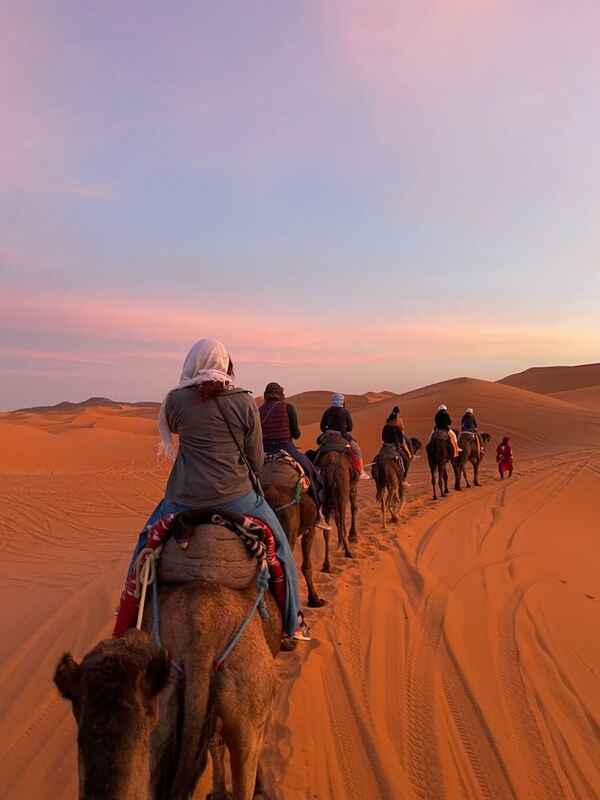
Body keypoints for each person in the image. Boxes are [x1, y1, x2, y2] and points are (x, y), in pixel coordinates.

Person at [118, 338, 306, 642]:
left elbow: (175, 429)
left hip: (183, 499)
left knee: (144, 544)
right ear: (227, 365)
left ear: (191, 363)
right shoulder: (245, 401)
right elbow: (256, 461)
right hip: (238, 498)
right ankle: (293, 621)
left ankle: (126, 621)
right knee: (281, 547)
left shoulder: (176, 401)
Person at [259, 382, 330, 530]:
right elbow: (296, 434)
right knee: (313, 473)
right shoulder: (288, 407)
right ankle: (318, 514)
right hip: (285, 446)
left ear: (266, 395)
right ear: (281, 394)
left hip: (263, 451)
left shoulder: (259, 410)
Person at [320, 393, 369, 479]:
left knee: (320, 449)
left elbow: (322, 426)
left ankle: (317, 470)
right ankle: (361, 471)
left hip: (328, 434)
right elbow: (350, 428)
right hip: (342, 434)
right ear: (342, 402)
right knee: (357, 449)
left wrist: (327, 431)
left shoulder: (327, 411)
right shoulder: (345, 412)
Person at [381, 406, 413, 483]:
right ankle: (403, 478)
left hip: (385, 446)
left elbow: (383, 438)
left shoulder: (385, 426)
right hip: (395, 446)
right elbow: (402, 440)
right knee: (406, 458)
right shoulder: (398, 424)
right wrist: (408, 453)